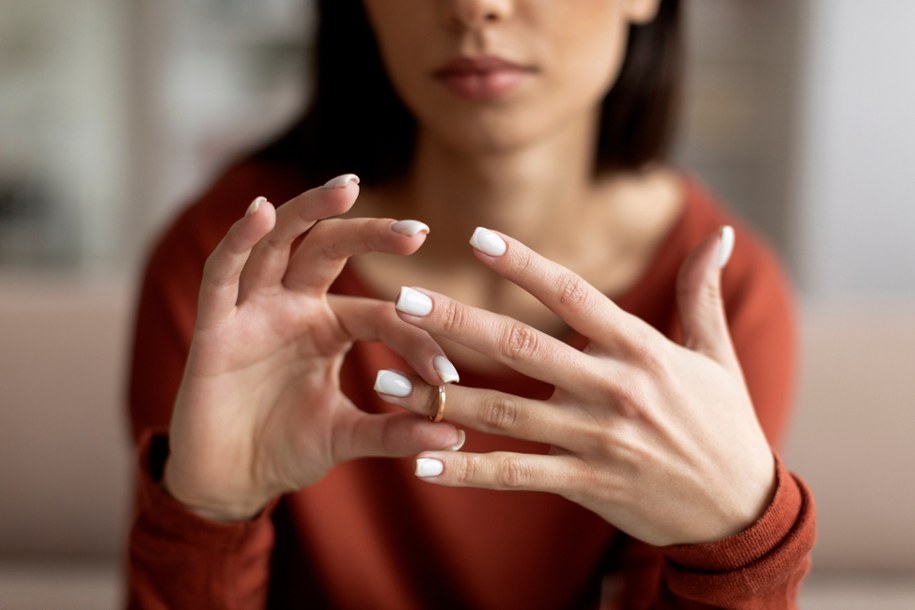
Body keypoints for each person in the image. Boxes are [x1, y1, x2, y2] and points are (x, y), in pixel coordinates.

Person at [125, 0, 816, 607]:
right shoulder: (228, 269)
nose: (473, 7)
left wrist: (737, 552)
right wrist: (207, 517)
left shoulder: (725, 298)